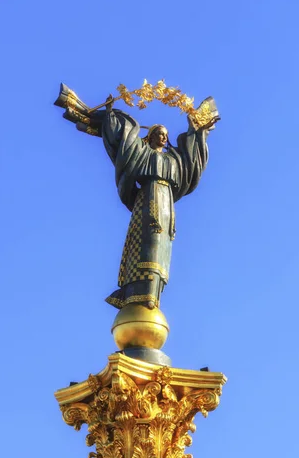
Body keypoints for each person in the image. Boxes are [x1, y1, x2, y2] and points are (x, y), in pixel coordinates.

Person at [79, 95, 218, 310]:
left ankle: (154, 293)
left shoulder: (174, 160)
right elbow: (124, 141)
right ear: (151, 137)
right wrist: (110, 115)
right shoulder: (142, 153)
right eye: (159, 134)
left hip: (167, 204)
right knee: (147, 243)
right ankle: (137, 292)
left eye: (165, 135)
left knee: (163, 246)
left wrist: (198, 131)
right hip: (148, 199)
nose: (163, 138)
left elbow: (192, 161)